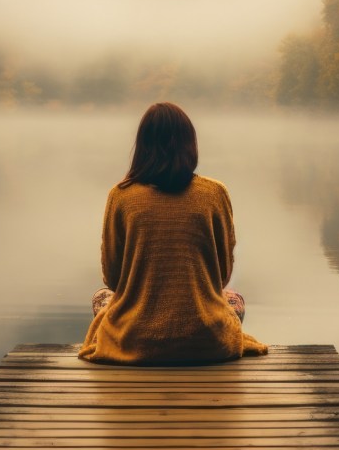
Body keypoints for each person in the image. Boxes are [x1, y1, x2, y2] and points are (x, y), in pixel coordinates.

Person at [78, 102, 268, 364]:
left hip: (134, 339)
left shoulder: (121, 196)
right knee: (233, 299)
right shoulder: (214, 193)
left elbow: (113, 278)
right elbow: (221, 275)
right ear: (190, 144)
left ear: (142, 146)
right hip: (206, 341)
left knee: (102, 298)